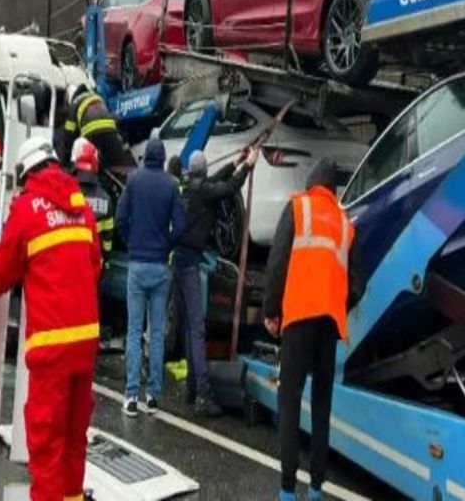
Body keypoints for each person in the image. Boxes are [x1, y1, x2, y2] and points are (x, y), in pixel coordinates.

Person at [0, 136, 102, 501]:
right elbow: (94, 263)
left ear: (26, 172)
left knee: (46, 442)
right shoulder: (81, 206)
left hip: (52, 345)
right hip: (86, 342)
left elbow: (2, 268)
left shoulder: (28, 206)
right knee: (74, 438)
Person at [263, 158, 356, 501]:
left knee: (289, 403)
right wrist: (336, 303)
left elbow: (277, 261)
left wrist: (271, 311)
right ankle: (317, 488)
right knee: (321, 406)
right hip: (329, 325)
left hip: (299, 317)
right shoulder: (345, 224)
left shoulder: (298, 208)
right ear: (333, 191)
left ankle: (288, 490)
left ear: (311, 184)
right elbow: (356, 284)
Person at [175, 148, 257, 416]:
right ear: (204, 170)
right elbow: (229, 187)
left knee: (189, 327)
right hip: (189, 265)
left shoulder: (189, 187)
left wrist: (235, 161)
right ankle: (202, 395)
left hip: (178, 262)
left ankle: (190, 390)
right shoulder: (203, 192)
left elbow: (216, 180)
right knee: (198, 329)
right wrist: (248, 166)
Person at [114, 136, 184, 416]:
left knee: (133, 331)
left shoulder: (134, 181)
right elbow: (180, 225)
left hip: (138, 264)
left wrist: (132, 242)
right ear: (164, 158)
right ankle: (153, 395)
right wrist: (166, 243)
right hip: (160, 268)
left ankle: (131, 396)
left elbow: (120, 218)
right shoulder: (171, 185)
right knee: (156, 333)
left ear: (146, 158)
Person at [64, 84, 136, 170]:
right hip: (109, 129)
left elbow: (69, 132)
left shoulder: (74, 103)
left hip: (91, 133)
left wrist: (67, 157)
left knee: (88, 164)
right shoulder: (96, 97)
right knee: (116, 162)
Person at [71, 137, 114, 257]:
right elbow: (108, 236)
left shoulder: (65, 193)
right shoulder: (105, 199)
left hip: (69, 261)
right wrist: (105, 258)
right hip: (93, 262)